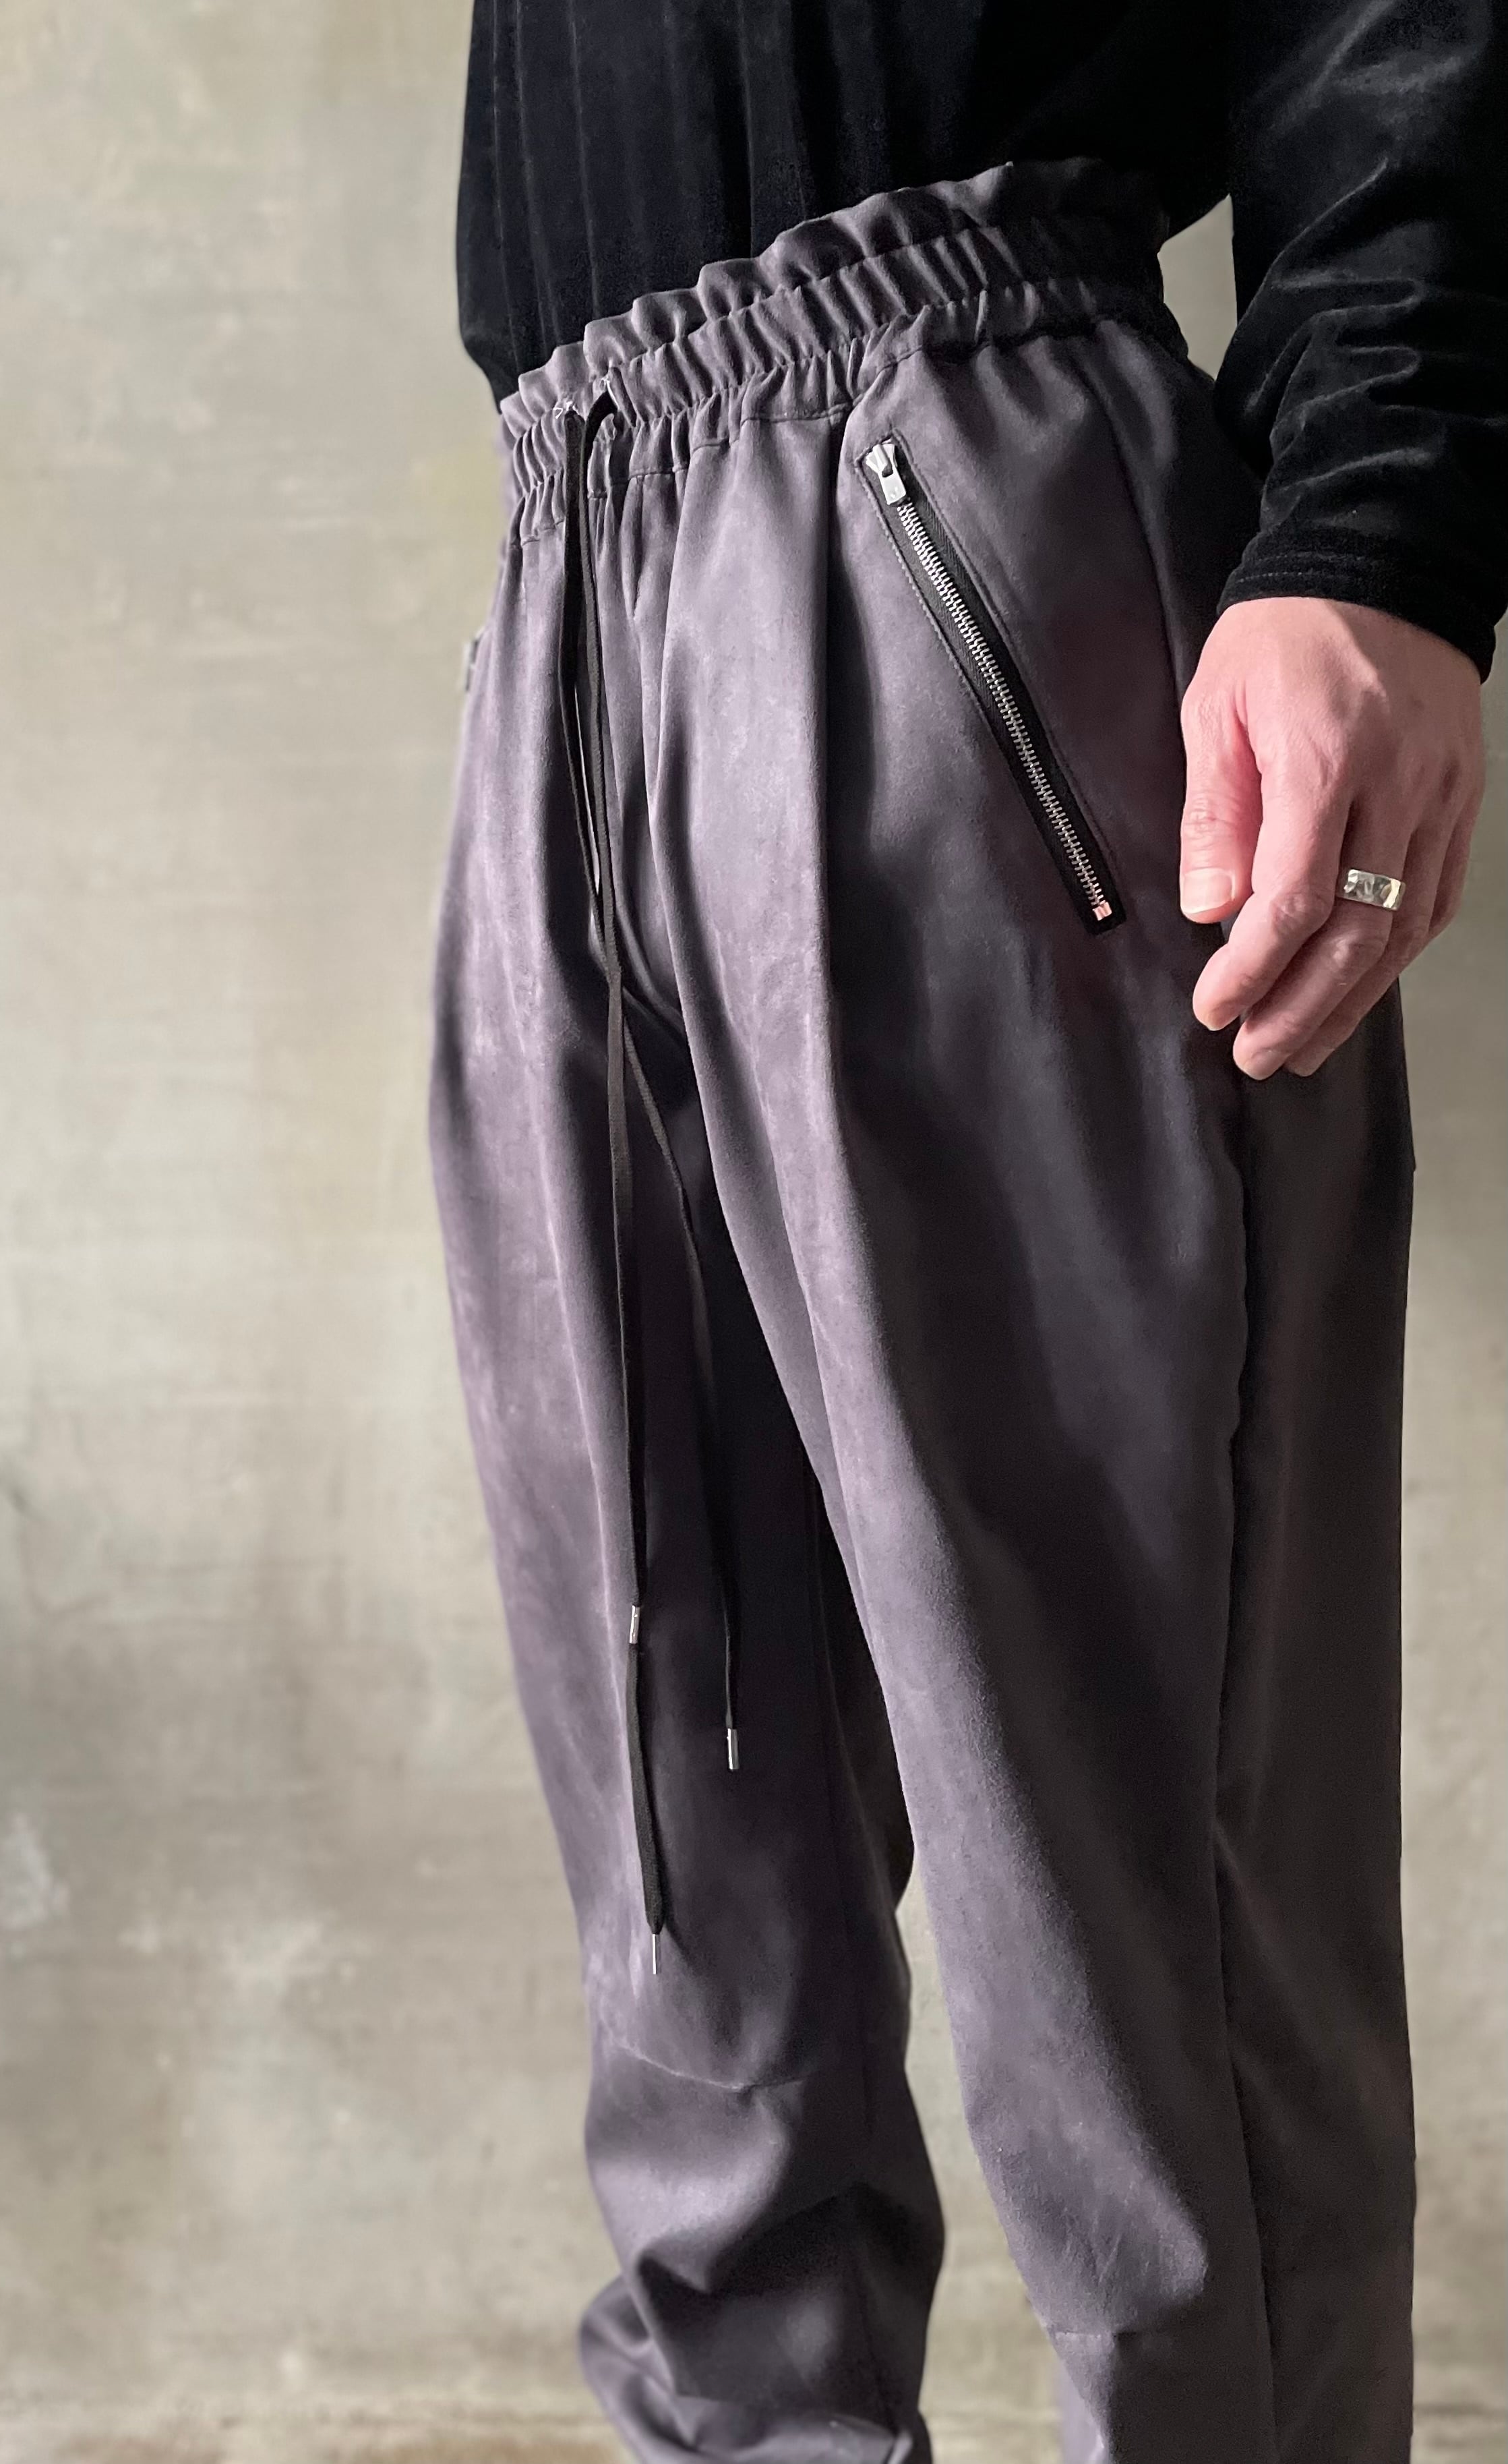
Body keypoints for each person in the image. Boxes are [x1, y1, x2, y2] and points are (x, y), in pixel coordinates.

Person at [427, 6, 1505, 2459]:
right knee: (698, 1906)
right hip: (567, 553)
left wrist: (1384, 509)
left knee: (1147, 1958)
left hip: (952, 472)